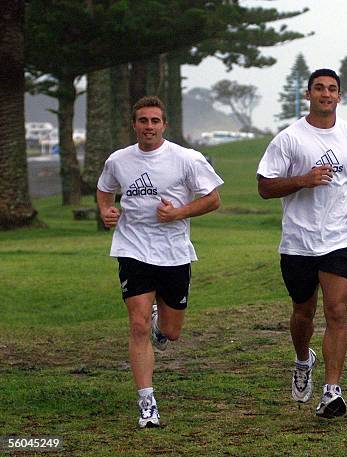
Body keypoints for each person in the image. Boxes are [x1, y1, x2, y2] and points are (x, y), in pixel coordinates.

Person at [97, 96, 223, 428]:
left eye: (155, 121)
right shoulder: (119, 160)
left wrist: (178, 213)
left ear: (164, 125)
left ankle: (159, 325)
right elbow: (104, 188)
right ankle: (147, 402)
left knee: (171, 331)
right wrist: (106, 210)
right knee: (136, 325)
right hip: (133, 249)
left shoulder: (187, 159)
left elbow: (213, 199)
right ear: (134, 125)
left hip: (174, 253)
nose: (149, 127)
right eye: (143, 121)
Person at [257, 69, 347, 418]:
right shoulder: (289, 139)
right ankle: (302, 359)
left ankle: (332, 391)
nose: (326, 94)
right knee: (304, 311)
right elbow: (265, 187)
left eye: (332, 89)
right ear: (308, 95)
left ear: (340, 96)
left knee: (337, 311)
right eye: (319, 88)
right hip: (299, 240)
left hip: (342, 236)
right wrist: (303, 180)